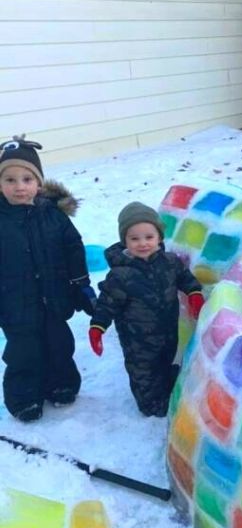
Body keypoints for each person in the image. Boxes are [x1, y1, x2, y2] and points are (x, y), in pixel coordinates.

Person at [0, 136, 93, 422]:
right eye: (10, 179)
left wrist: (81, 285)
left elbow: (73, 249)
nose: (19, 187)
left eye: (27, 179)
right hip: (14, 302)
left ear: (39, 183)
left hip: (54, 298)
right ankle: (24, 397)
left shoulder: (53, 216)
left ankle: (61, 383)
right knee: (22, 352)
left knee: (59, 343)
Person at [88, 203, 204, 417]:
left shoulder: (170, 262)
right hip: (137, 340)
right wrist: (97, 327)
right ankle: (149, 403)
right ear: (125, 241)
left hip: (167, 330)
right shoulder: (120, 275)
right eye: (134, 239)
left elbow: (185, 279)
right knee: (144, 372)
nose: (143, 243)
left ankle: (167, 383)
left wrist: (194, 294)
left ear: (159, 237)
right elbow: (107, 303)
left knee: (166, 359)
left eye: (148, 237)